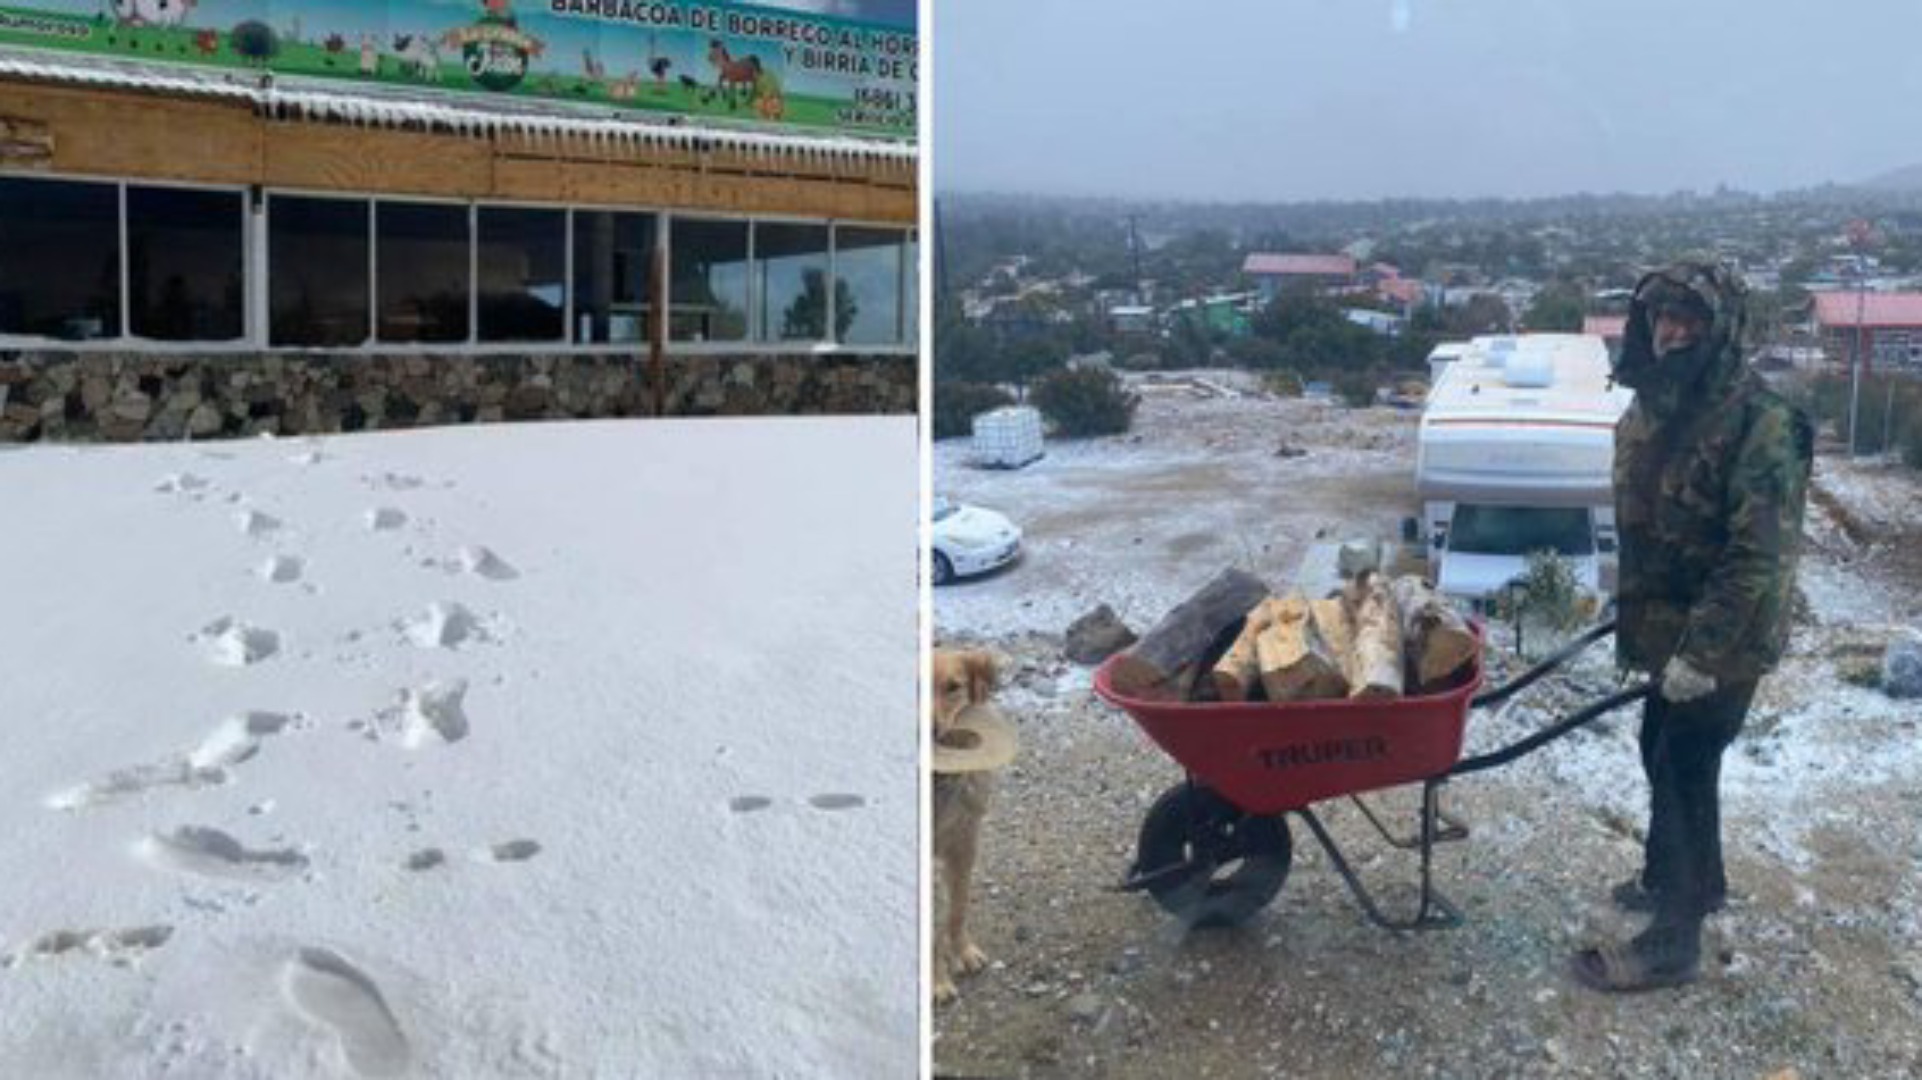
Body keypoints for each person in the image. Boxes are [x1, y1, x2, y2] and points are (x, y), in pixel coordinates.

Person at [1572, 259, 1813, 992]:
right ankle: (1679, 880)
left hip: (1725, 635)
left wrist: (1705, 653)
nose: (1671, 332)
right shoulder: (1655, 403)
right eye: (1660, 318)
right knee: (1660, 747)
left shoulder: (1761, 421)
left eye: (1688, 321)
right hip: (1667, 626)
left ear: (1721, 329)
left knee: (1684, 762)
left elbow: (1758, 557)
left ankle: (1675, 940)